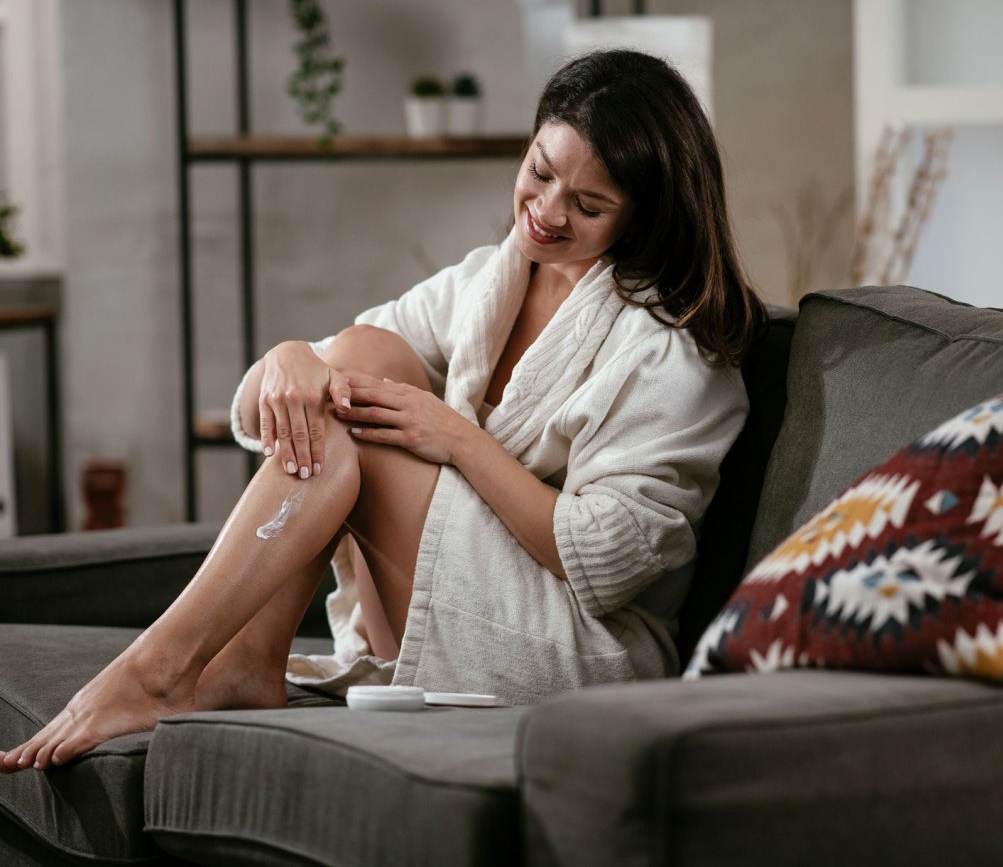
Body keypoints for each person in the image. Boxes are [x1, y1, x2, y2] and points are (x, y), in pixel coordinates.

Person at [1, 49, 766, 772]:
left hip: (571, 649)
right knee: (363, 358)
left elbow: (600, 561)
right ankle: (244, 662)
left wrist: (461, 441)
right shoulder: (492, 281)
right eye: (539, 172)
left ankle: (164, 664)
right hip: (447, 596)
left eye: (589, 204)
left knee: (363, 409)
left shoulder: (674, 353)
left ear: (645, 217)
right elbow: (351, 362)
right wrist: (292, 357)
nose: (546, 212)